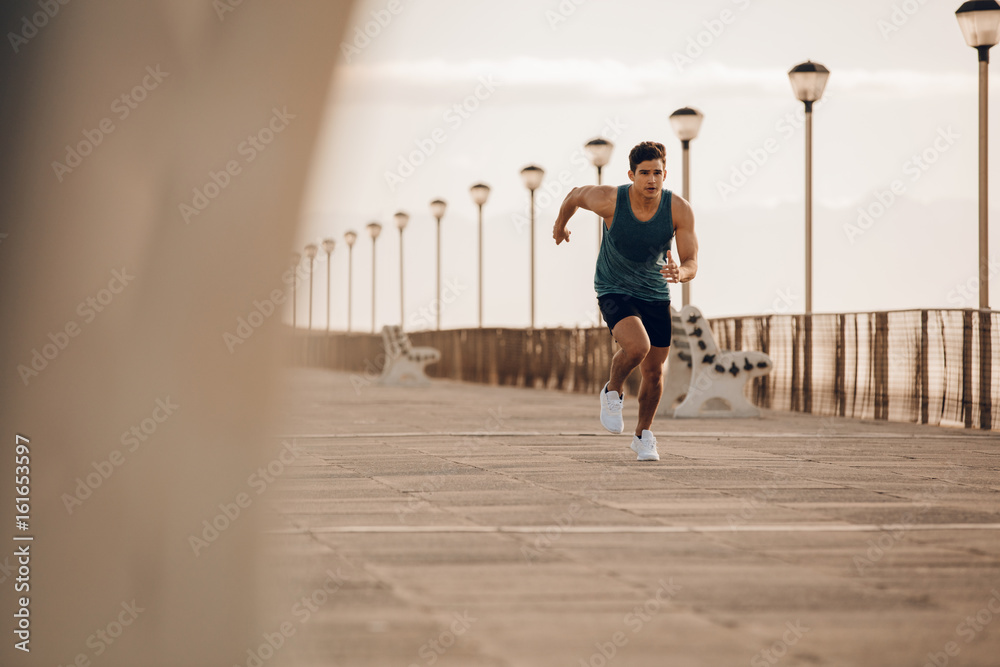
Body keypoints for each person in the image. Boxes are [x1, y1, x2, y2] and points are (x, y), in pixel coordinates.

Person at [552, 141, 698, 461]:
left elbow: (691, 261)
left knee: (654, 373)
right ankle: (613, 389)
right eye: (644, 173)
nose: (651, 179)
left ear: (665, 174)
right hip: (613, 287)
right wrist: (560, 225)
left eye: (657, 173)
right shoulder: (609, 200)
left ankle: (643, 435)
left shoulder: (678, 209)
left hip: (655, 292)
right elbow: (575, 194)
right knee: (637, 347)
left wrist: (681, 272)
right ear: (631, 174)